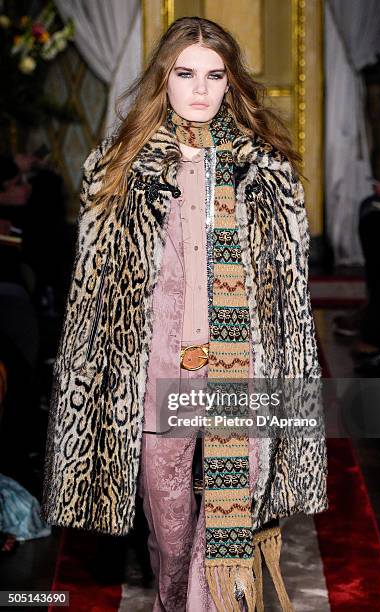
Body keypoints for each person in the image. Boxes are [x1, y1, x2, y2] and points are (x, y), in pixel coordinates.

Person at [41, 16, 328, 612]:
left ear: (231, 84)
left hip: (242, 370)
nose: (201, 88)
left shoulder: (268, 175)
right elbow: (93, 300)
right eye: (186, 73)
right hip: (157, 373)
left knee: (222, 538)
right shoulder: (118, 171)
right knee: (170, 537)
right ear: (163, 80)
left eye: (215, 75)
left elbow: (291, 305)